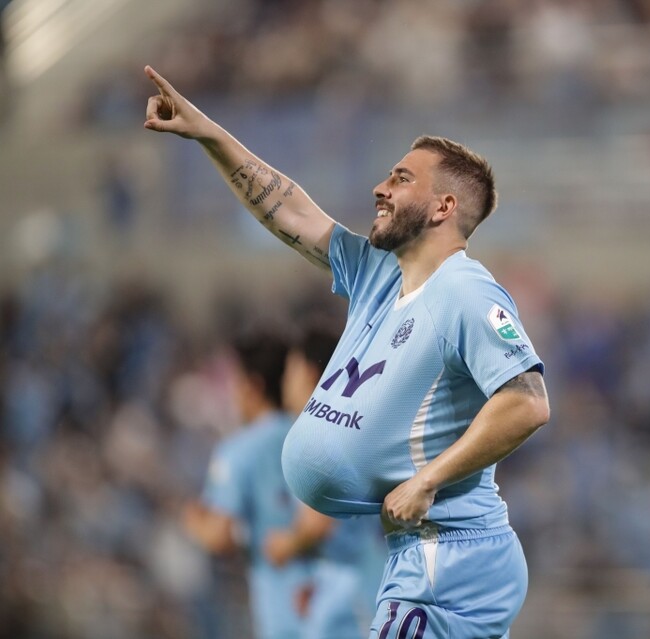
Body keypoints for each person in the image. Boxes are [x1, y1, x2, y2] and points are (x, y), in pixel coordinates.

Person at [144, 65, 550, 638]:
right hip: (423, 555)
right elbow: (290, 211)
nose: (381, 188)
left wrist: (427, 480)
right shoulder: (379, 274)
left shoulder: (464, 288)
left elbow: (528, 402)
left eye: (402, 178)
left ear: (443, 208)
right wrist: (207, 133)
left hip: (452, 556)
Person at [182, 327, 315, 639]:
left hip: (283, 609)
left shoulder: (237, 451)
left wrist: (193, 521)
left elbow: (220, 536)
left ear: (253, 387)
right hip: (337, 604)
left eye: (235, 382)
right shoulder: (310, 434)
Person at [264, 318, 386, 639]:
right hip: (357, 584)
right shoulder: (352, 425)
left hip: (355, 591)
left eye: (290, 369)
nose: (285, 381)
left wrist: (285, 545)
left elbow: (320, 524)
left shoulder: (322, 435)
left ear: (308, 372)